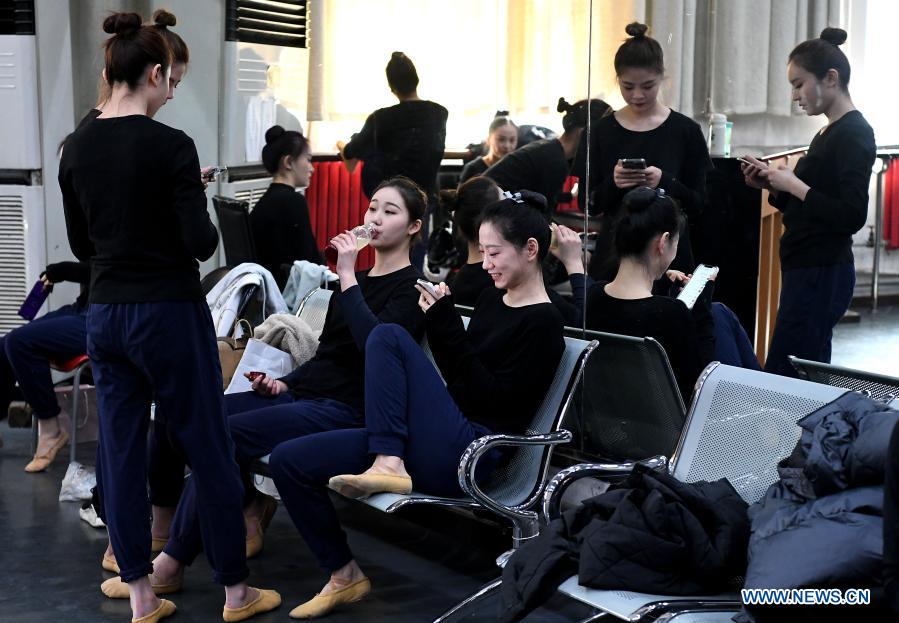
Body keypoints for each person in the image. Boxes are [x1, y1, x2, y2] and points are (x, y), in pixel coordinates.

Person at [59, 13, 279, 622]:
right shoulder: (172, 145)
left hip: (106, 314)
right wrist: (191, 197)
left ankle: (141, 596)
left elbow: (83, 246)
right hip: (168, 314)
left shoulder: (75, 145)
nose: (172, 91)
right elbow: (201, 243)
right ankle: (236, 591)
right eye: (171, 81)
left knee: (121, 452)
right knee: (207, 446)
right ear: (154, 73)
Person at [263, 194, 564, 618]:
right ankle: (343, 573)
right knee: (289, 460)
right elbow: (461, 378)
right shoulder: (493, 298)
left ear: (530, 249)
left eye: (494, 253)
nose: (487, 263)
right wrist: (443, 325)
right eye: (484, 252)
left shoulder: (544, 322)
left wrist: (443, 325)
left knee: (387, 336)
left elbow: (492, 399)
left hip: (475, 451)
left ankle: (389, 461)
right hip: (438, 437)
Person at [136, 177, 428, 602]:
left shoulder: (411, 289)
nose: (375, 219)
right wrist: (283, 381)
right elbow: (328, 356)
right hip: (308, 395)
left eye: (390, 211)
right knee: (187, 412)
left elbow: (376, 348)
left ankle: (173, 561)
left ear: (414, 226)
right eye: (372, 209)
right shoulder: (357, 279)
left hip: (348, 410)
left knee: (222, 437)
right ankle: (215, 519)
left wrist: (345, 276)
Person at [741, 28, 875, 377]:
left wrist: (796, 185)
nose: (795, 95)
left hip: (822, 270)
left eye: (799, 84)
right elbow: (812, 209)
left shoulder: (855, 133)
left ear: (830, 78)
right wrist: (774, 186)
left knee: (793, 371)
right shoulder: (827, 130)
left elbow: (850, 215)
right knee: (799, 367)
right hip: (807, 268)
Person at [552, 187, 758, 401]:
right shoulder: (672, 314)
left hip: (613, 424)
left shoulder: (594, 297)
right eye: (676, 244)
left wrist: (662, 290)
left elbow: (630, 311)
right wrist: (702, 309)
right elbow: (699, 383)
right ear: (663, 242)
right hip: (671, 430)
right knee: (720, 314)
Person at [585, 22, 711, 283]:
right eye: (628, 86)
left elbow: (699, 204)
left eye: (648, 86)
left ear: (662, 78)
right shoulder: (601, 131)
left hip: (669, 256)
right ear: (617, 79)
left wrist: (664, 182)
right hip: (614, 257)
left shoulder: (685, 131)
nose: (637, 95)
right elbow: (588, 203)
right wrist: (614, 182)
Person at [443, 179, 582, 325]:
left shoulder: (459, 282)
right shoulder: (506, 286)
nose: (515, 203)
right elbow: (582, 325)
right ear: (492, 216)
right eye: (508, 200)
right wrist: (574, 264)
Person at [0, 262, 89, 471]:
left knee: (19, 342)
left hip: (104, 316)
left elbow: (107, 267)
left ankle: (51, 429)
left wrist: (65, 270)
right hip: (82, 308)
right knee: (4, 346)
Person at [338, 52, 448, 200]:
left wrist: (340, 145)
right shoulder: (439, 114)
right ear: (416, 80)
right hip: (424, 197)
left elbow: (351, 152)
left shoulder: (380, 119)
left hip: (389, 199)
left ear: (392, 88)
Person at [485, 97, 609, 215]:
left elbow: (538, 195)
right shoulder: (554, 160)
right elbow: (542, 213)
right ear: (584, 133)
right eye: (600, 135)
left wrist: (570, 196)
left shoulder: (551, 150)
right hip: (485, 210)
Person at [250, 125, 321, 289]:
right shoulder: (293, 201)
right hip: (286, 294)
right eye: (308, 160)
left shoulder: (266, 201)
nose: (312, 168)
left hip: (265, 292)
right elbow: (311, 263)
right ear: (289, 162)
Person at [460, 112, 518, 183]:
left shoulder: (518, 168)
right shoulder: (473, 168)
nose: (507, 145)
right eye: (501, 139)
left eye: (512, 140)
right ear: (488, 139)